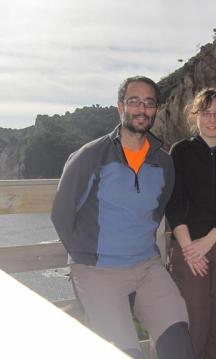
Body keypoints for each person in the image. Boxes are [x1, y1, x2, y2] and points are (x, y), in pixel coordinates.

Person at [50, 76, 194, 359]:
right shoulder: (90, 156)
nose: (142, 108)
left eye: (149, 102)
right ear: (120, 107)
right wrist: (88, 257)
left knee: (179, 346)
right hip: (98, 272)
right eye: (134, 101)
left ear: (155, 110)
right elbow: (61, 214)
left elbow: (156, 212)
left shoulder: (163, 162)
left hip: (147, 267)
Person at [165, 88, 216, 359]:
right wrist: (190, 248)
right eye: (205, 113)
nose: (211, 120)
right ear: (195, 116)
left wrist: (208, 241)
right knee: (195, 322)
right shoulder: (181, 152)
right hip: (188, 248)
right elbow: (173, 202)